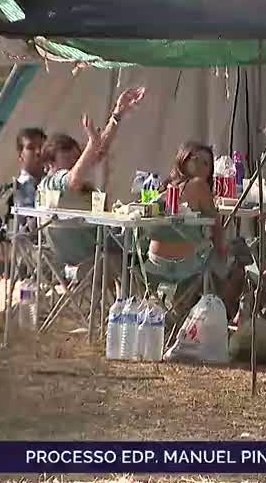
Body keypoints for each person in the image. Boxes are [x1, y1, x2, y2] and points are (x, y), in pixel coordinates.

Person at [38, 87, 145, 281]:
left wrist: (117, 116)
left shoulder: (71, 183)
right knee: (143, 254)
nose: (77, 165)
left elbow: (96, 154)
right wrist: (91, 144)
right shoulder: (50, 185)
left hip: (96, 250)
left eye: (77, 160)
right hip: (88, 258)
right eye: (70, 161)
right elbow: (73, 179)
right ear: (49, 164)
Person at [146, 141, 237, 338]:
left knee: (220, 258)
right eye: (196, 159)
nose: (201, 166)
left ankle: (179, 313)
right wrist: (222, 249)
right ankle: (225, 320)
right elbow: (216, 225)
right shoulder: (198, 185)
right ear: (183, 160)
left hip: (153, 266)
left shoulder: (165, 188)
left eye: (206, 163)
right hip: (186, 267)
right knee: (233, 258)